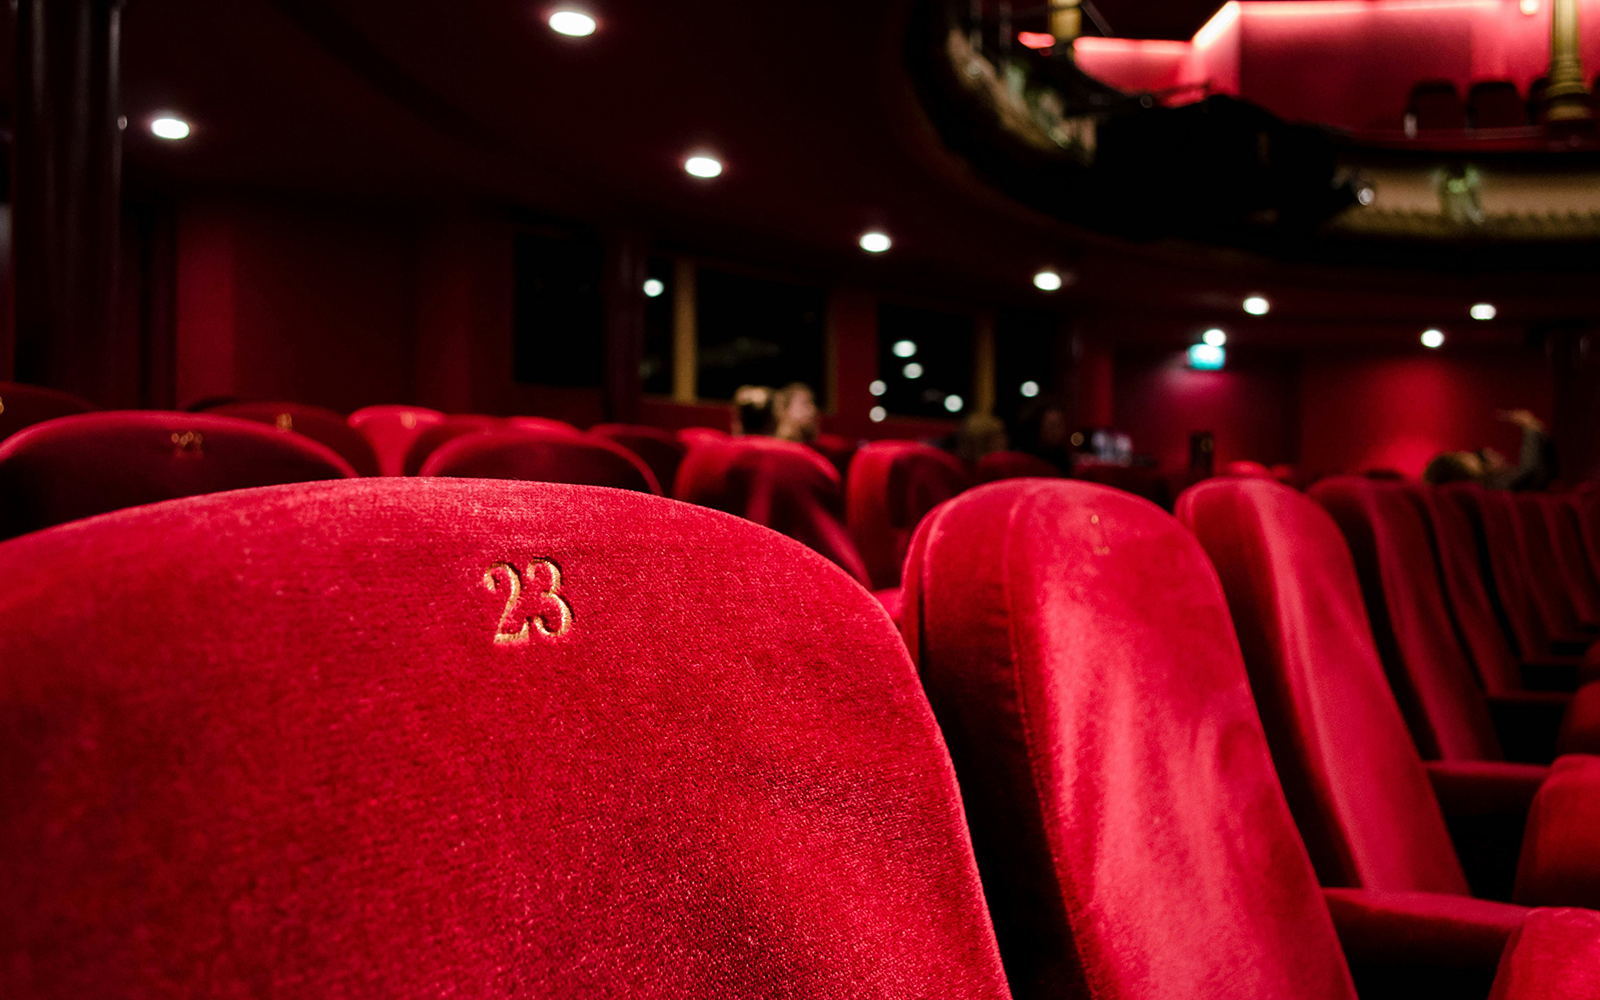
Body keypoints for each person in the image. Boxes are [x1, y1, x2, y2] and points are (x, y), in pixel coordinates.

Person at [1423, 409, 1556, 491]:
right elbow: (1528, 472)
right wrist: (1530, 428)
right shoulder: (1485, 488)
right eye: (1457, 455)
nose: (1464, 453)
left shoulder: (1484, 489)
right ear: (1453, 470)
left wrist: (1535, 429)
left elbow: (1539, 476)